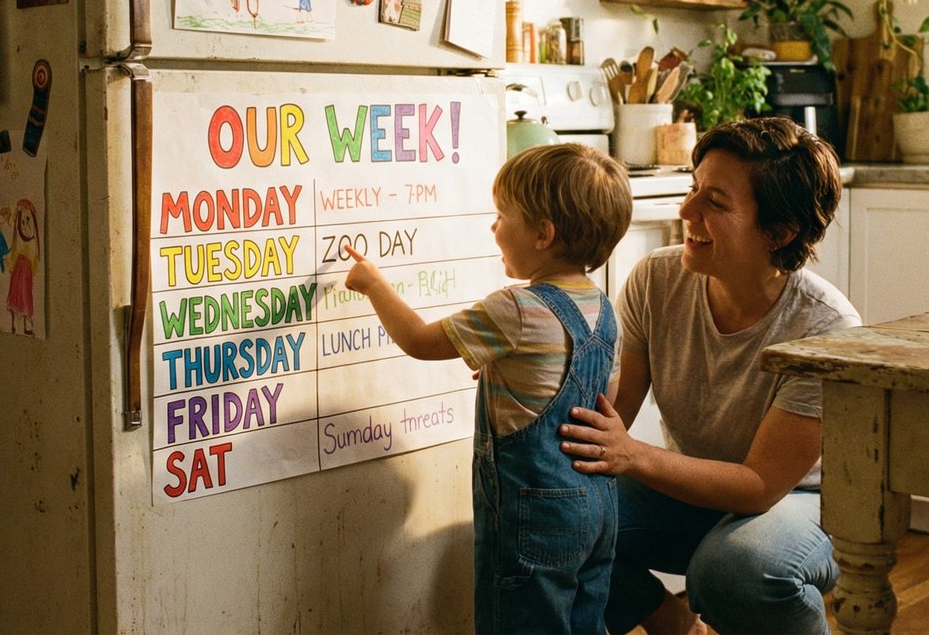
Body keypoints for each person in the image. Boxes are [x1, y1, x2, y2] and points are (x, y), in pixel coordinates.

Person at [558, 116, 860, 635]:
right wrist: (532, 378)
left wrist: (633, 455)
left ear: (780, 232)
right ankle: (676, 627)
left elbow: (761, 485)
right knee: (554, 517)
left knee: (736, 572)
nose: (686, 210)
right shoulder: (656, 279)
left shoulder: (826, 328)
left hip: (805, 503)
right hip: (698, 486)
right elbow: (613, 411)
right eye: (693, 188)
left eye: (715, 202)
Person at [343, 142, 633, 634]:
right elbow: (598, 399)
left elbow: (418, 341)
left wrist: (374, 284)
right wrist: (515, 375)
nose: (493, 227)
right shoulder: (604, 309)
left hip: (534, 514)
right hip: (597, 508)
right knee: (584, 623)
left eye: (503, 216)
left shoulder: (516, 308)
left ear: (543, 234)